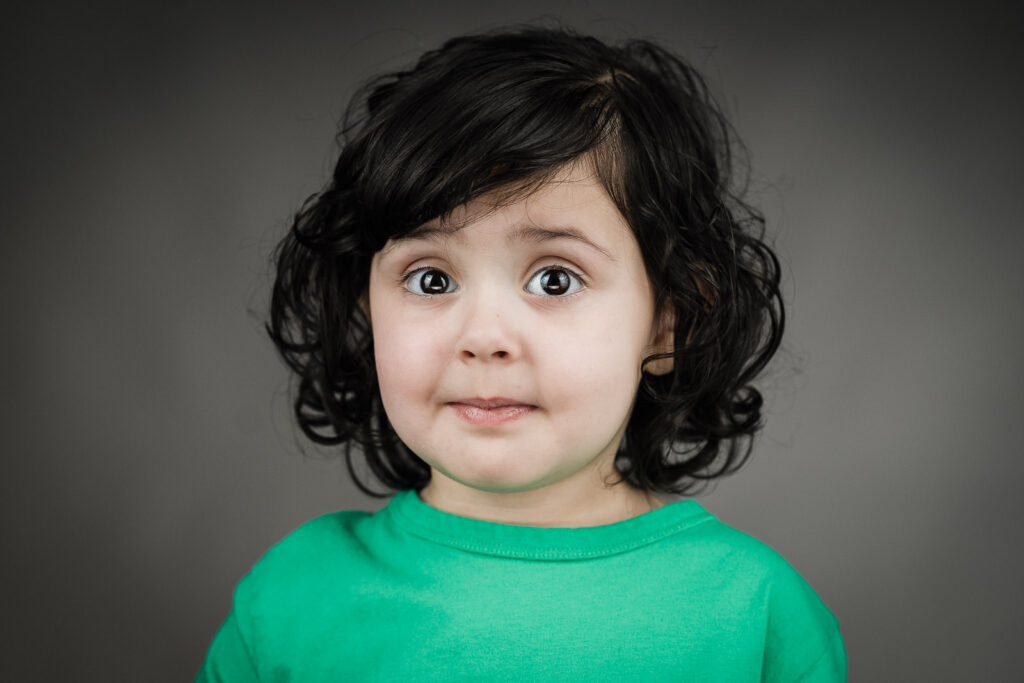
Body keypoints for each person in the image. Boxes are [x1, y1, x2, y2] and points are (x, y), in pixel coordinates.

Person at [197, 24, 847, 681]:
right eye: (431, 279)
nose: (484, 337)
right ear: (366, 307)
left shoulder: (754, 615)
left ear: (666, 324)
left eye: (555, 279)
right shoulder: (290, 603)